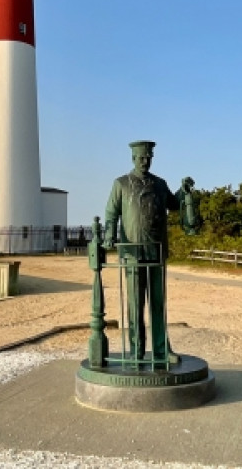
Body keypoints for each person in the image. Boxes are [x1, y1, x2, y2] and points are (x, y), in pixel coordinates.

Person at [103, 140, 189, 365]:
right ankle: (136, 351)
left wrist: (184, 191)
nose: (145, 161)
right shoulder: (121, 183)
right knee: (135, 304)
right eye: (141, 158)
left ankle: (161, 351)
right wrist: (109, 235)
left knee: (158, 304)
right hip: (132, 253)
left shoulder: (159, 184)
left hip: (156, 250)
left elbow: (173, 204)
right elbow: (111, 212)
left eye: (148, 158)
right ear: (133, 158)